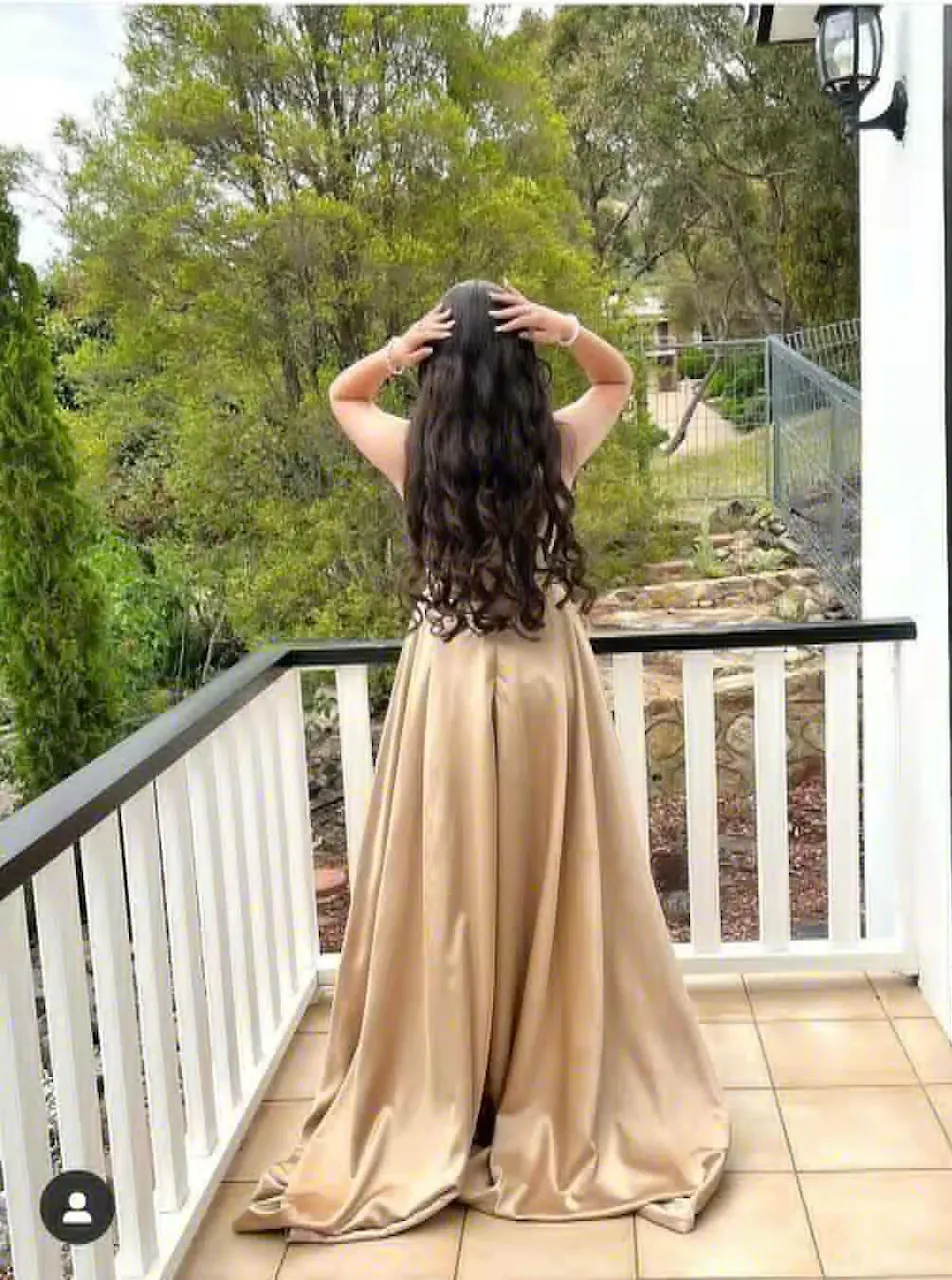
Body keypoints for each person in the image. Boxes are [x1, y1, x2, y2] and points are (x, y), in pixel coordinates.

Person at [231, 278, 731, 1245]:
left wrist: (395, 349)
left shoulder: (416, 454)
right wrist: (570, 328)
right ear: (521, 362)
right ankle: (544, 1068)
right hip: (545, 686)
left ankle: (458, 1077)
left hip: (452, 687)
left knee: (455, 884)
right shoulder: (555, 447)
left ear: (441, 367)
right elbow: (619, 382)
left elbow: (341, 394)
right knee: (550, 878)